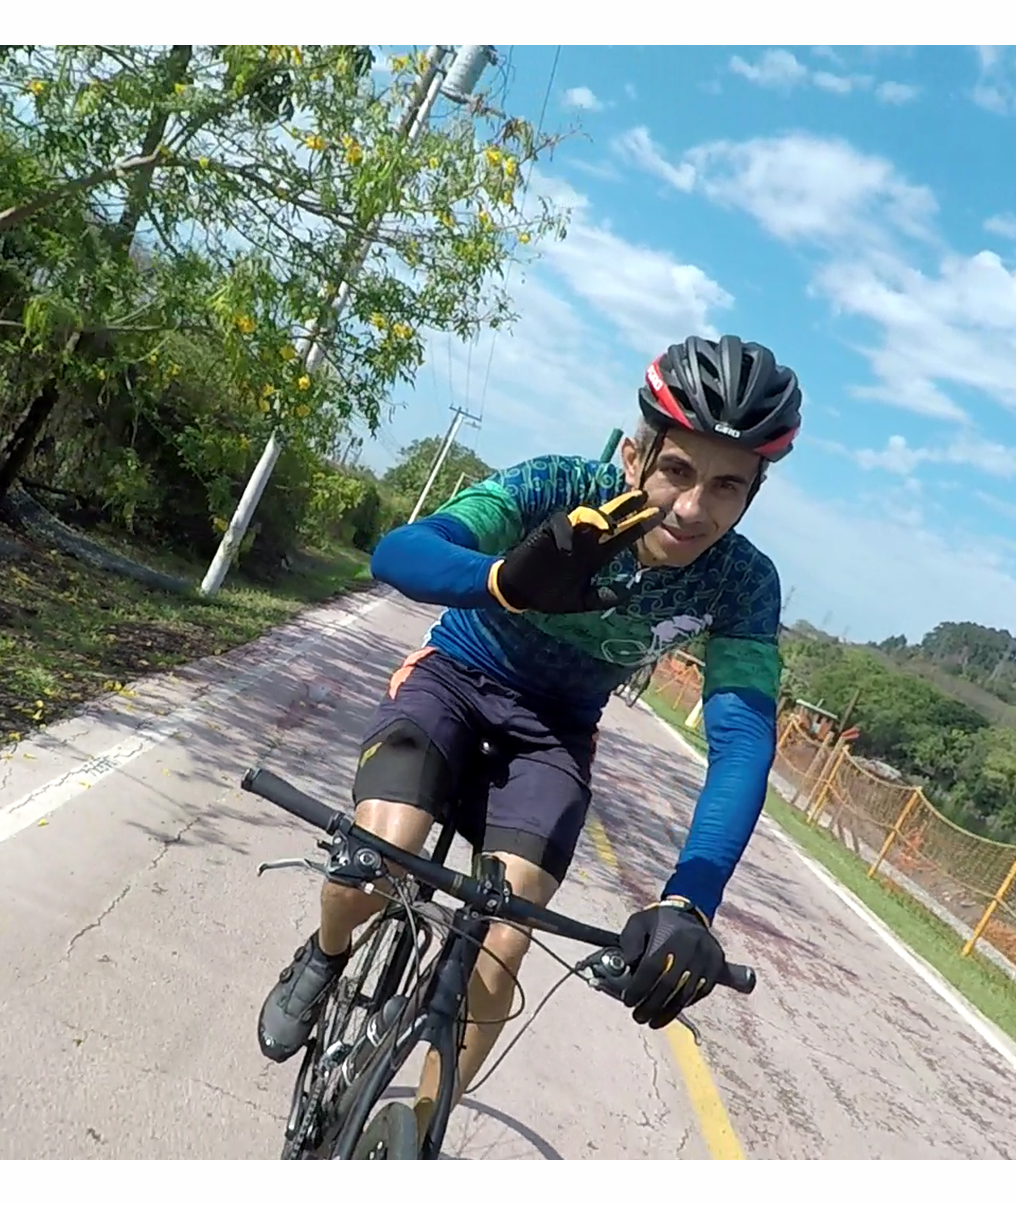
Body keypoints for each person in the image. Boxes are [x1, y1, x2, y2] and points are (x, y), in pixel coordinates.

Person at [257, 333, 800, 1137]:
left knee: (503, 938)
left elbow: (743, 737)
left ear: (751, 494)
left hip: (552, 733)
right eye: (677, 470)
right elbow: (400, 551)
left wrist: (690, 898)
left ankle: (417, 1132)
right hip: (453, 678)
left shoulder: (742, 581)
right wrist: (499, 580)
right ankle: (326, 951)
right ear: (633, 455)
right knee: (378, 861)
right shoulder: (560, 488)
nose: (692, 508)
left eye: (726, 486)